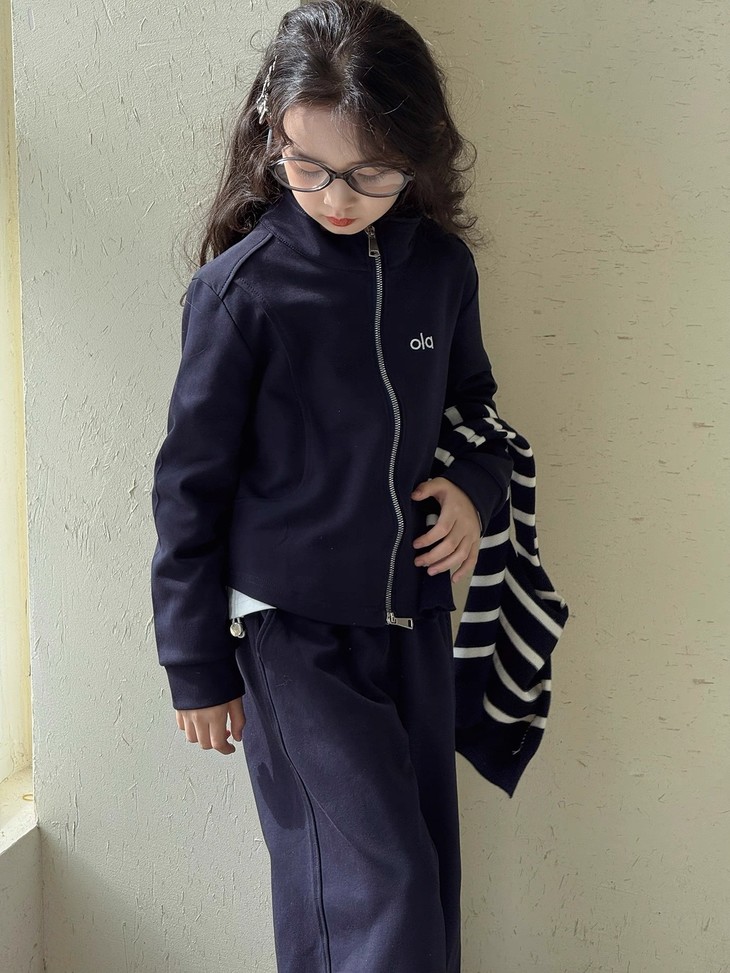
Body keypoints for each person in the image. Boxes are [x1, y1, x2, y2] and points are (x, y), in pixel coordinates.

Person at [150, 1, 514, 970]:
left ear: (417, 152)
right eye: (305, 166)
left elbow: (475, 411)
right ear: (270, 134)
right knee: (377, 889)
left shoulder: (442, 270)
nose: (334, 197)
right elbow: (187, 486)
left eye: (368, 172)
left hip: (414, 619)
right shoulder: (241, 292)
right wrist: (194, 660)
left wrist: (474, 489)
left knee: (423, 888)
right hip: (291, 633)